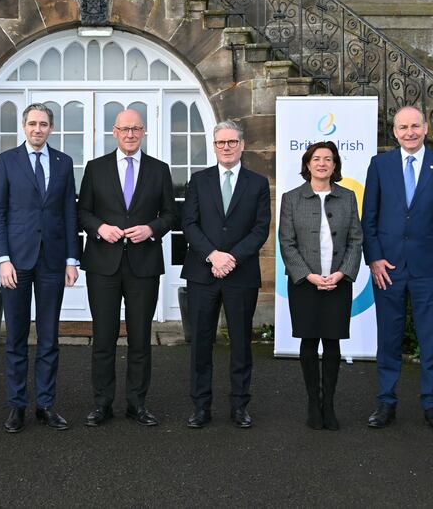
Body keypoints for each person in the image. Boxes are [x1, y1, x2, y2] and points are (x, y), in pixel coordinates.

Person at [361, 106, 433, 433]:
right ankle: (386, 402)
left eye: (415, 126)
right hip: (387, 268)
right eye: (403, 127)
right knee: (388, 338)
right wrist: (374, 259)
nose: (409, 132)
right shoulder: (380, 165)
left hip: (428, 269)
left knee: (430, 340)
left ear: (426, 128)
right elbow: (369, 218)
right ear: (394, 131)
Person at [77, 108, 178, 428]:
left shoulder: (160, 170)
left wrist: (151, 229)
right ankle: (102, 404)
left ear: (144, 132)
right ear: (114, 132)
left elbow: (171, 215)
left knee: (140, 338)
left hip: (143, 265)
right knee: (103, 338)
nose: (130, 134)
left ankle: (137, 403)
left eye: (136, 129)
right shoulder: (95, 168)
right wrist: (98, 228)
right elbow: (82, 212)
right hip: (103, 264)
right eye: (124, 129)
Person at [0, 103, 79, 433]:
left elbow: (69, 212)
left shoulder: (63, 163)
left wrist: (72, 259)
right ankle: (17, 406)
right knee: (15, 337)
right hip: (16, 262)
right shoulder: (7, 161)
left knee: (48, 337)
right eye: (32, 123)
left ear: (51, 128)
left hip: (53, 261)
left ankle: (45, 404)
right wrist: (2, 259)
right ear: (23, 127)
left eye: (43, 124)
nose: (37, 129)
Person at [180, 120, 270, 429]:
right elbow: (189, 224)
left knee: (241, 343)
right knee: (201, 343)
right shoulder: (199, 180)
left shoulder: (257, 183)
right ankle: (201, 407)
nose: (227, 147)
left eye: (232, 142)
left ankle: (240, 406)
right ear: (214, 146)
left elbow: (260, 229)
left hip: (240, 274)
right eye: (221, 143)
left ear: (242, 145)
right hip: (202, 274)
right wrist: (213, 255)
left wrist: (231, 258)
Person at [277, 141, 363, 430]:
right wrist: (309, 276)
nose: (322, 163)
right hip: (305, 284)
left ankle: (330, 406)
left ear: (335, 165)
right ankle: (314, 404)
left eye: (328, 159)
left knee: (333, 343)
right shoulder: (291, 198)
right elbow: (286, 244)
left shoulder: (348, 197)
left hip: (338, 283)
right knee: (309, 343)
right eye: (317, 159)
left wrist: (341, 274)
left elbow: (355, 240)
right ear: (308, 164)